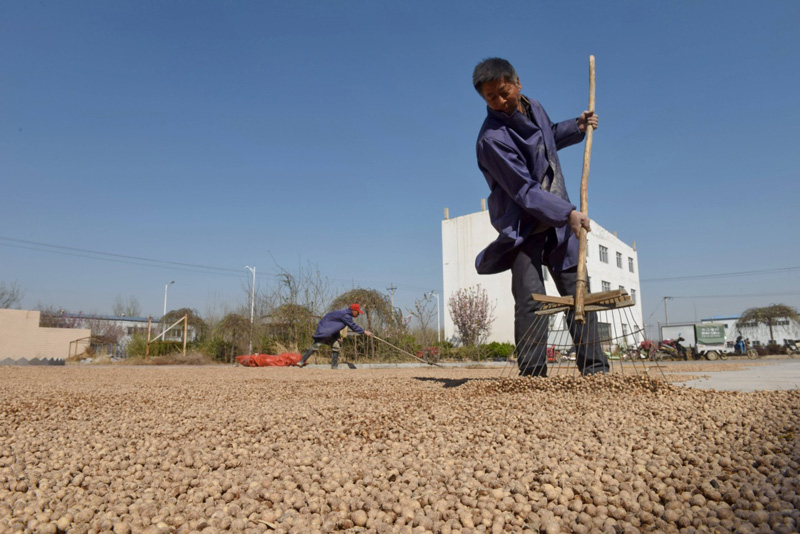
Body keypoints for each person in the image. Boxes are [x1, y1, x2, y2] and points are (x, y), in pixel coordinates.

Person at [472, 57, 609, 377]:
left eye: (504, 92)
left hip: (560, 221)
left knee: (579, 292)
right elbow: (524, 191)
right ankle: (533, 376)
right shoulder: (491, 140)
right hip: (525, 226)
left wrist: (577, 126)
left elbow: (545, 139)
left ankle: (595, 370)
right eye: (491, 97)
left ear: (517, 83)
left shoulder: (534, 107)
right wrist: (569, 213)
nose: (500, 101)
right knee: (531, 301)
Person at [297, 303, 373, 368]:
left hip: (328, 330)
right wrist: (365, 332)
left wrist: (338, 337)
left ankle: (334, 366)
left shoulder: (343, 313)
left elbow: (334, 326)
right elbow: (353, 326)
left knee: (336, 345)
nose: (358, 314)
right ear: (354, 311)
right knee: (316, 345)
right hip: (325, 330)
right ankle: (301, 361)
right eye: (358, 312)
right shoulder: (346, 315)